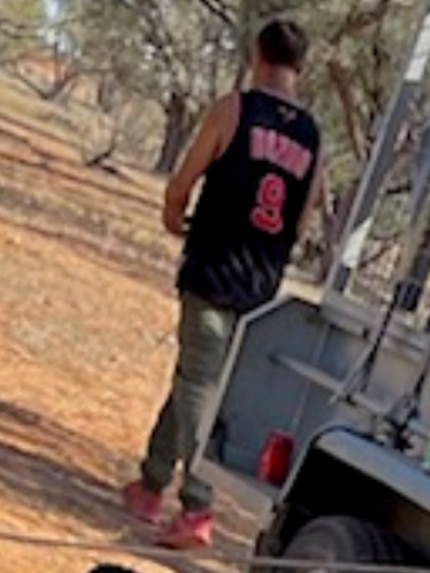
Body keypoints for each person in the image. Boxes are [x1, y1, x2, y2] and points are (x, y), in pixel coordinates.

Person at [123, 18, 324, 550]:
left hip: (214, 267)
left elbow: (182, 181)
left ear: (258, 54)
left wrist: (174, 216)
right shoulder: (313, 135)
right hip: (261, 286)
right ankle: (151, 481)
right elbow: (302, 222)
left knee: (197, 385)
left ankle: (197, 506)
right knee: (196, 372)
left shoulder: (233, 108)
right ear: (299, 67)